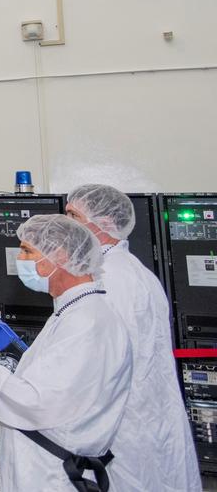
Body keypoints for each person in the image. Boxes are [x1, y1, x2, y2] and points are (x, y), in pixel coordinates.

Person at [0, 214, 132, 491]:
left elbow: (33, 402)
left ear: (60, 255)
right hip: (42, 467)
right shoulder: (71, 312)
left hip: (53, 476)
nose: (18, 259)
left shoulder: (87, 322)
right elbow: (39, 382)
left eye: (27, 251)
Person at [65, 184, 201, 491]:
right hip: (146, 416)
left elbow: (100, 359)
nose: (66, 225)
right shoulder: (129, 269)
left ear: (105, 224)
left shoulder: (110, 278)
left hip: (126, 424)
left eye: (73, 215)